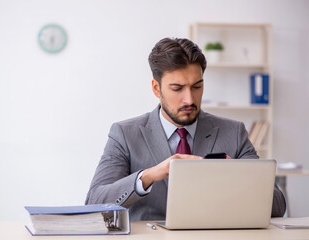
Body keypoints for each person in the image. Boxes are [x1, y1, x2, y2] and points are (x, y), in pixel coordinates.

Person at [85, 38, 286, 220]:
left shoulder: (234, 132)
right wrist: (149, 176)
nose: (189, 99)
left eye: (197, 87)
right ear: (156, 88)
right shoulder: (125, 134)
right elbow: (95, 204)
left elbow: (278, 205)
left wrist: (236, 176)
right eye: (177, 89)